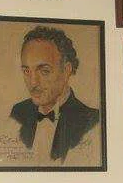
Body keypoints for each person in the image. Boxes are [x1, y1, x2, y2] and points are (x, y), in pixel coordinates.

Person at [9, 26, 100, 164]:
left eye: (44, 71)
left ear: (67, 70)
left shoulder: (92, 121)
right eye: (27, 71)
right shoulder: (18, 113)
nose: (33, 83)